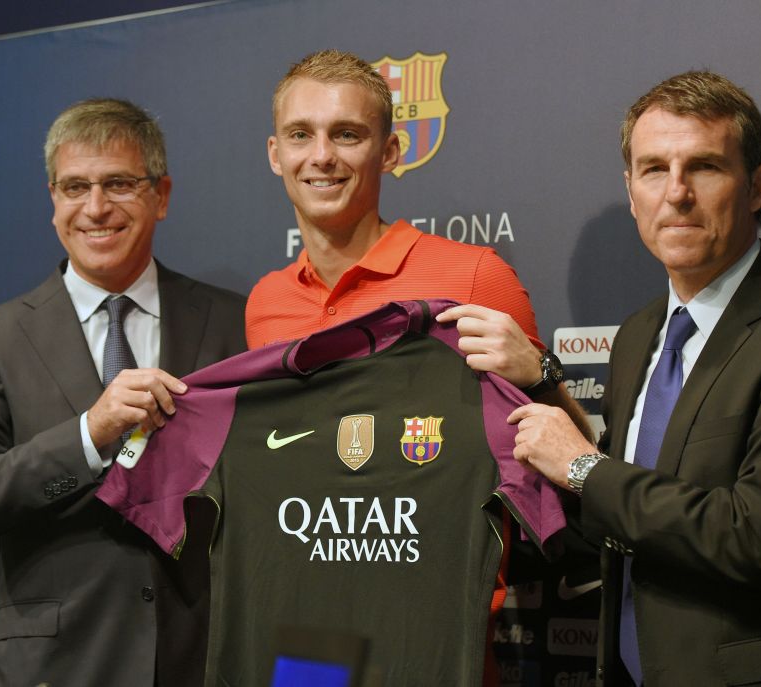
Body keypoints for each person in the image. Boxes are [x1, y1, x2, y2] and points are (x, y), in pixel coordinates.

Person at [505, 71, 761, 686]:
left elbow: (757, 536)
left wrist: (581, 468)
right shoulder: (638, 335)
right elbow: (624, 515)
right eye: (653, 169)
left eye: (704, 167)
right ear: (631, 192)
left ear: (757, 185)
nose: (676, 193)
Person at [244, 49, 590, 685]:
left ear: (393, 151)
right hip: (303, 636)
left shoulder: (476, 276)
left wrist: (541, 374)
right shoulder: (267, 301)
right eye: (301, 134)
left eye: (347, 134)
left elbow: (569, 459)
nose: (321, 155)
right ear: (275, 154)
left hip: (431, 631)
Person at [0, 98, 246, 687]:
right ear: (53, 200)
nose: (95, 208)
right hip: (53, 667)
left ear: (161, 196)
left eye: (118, 183)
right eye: (74, 187)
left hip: (203, 657)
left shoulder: (233, 322)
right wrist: (88, 435)